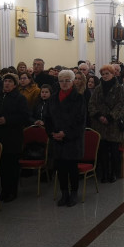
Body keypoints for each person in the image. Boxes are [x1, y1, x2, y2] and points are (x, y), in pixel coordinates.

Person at [0, 73, 29, 202]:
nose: (7, 83)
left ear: (15, 85)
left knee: (12, 165)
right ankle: (4, 191)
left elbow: (24, 116)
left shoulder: (20, 98)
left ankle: (12, 192)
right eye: (5, 81)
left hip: (12, 136)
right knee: (1, 165)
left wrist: (6, 120)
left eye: (10, 81)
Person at [47, 69, 86, 206]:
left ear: (73, 82)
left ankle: (74, 193)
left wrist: (66, 133)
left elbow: (80, 121)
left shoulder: (79, 98)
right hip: (57, 139)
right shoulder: (53, 98)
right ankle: (64, 193)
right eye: (61, 81)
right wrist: (52, 133)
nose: (64, 83)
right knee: (60, 168)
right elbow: (48, 118)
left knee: (72, 168)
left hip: (72, 139)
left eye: (67, 80)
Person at [89, 65, 124, 182]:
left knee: (114, 150)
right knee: (102, 150)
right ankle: (104, 173)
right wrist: (99, 116)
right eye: (103, 74)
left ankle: (113, 173)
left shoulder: (119, 88)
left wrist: (110, 117)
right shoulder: (98, 88)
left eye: (107, 74)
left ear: (113, 74)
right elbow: (91, 104)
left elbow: (120, 104)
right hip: (100, 124)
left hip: (113, 124)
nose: (105, 76)